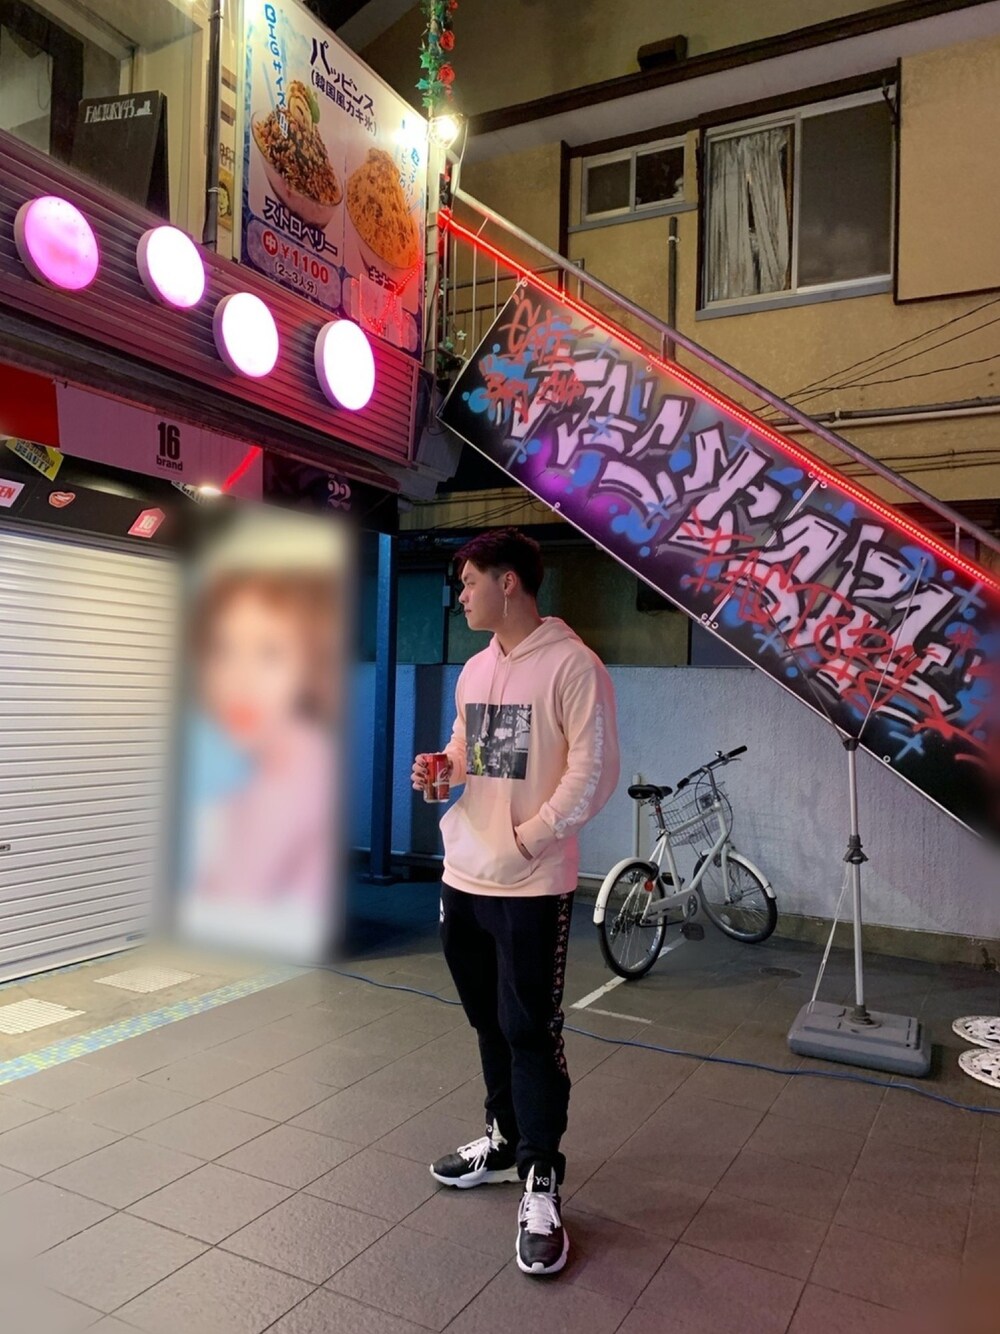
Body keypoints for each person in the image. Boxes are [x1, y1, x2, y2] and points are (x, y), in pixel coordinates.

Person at [411, 528, 620, 1277]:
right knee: (488, 1020)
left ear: (508, 583)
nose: (460, 595)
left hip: (531, 884)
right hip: (465, 876)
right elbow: (481, 756)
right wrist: (443, 770)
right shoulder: (479, 668)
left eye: (469, 582)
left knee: (529, 1028)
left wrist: (529, 838)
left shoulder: (573, 665)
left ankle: (541, 1177)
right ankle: (502, 1141)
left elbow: (593, 773)